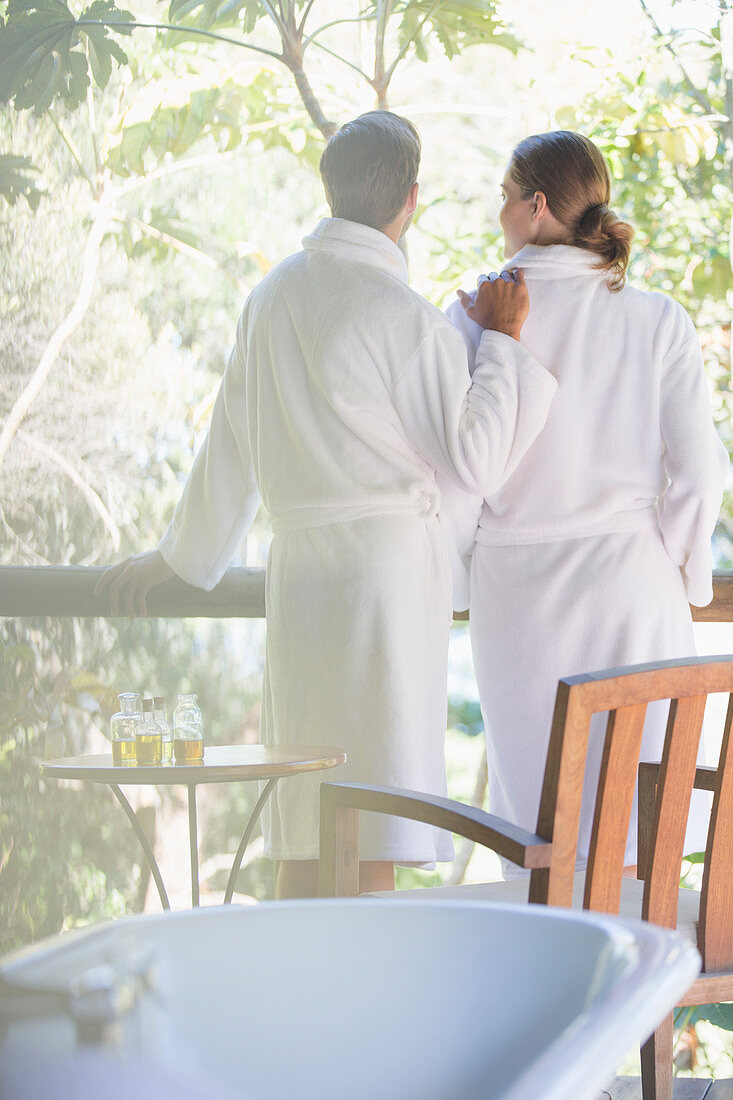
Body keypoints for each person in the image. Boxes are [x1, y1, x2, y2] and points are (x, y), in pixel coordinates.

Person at [95, 111, 558, 898]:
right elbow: (476, 455)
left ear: (329, 186)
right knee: (373, 807)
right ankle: (360, 1005)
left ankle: (292, 997)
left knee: (305, 802)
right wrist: (504, 344)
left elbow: (228, 452)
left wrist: (179, 559)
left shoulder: (270, 298)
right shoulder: (402, 317)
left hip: (301, 575)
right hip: (383, 577)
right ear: (411, 198)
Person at [444, 129, 729, 869]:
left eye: (503, 198)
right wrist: (670, 566)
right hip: (630, 585)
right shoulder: (656, 317)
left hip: (516, 598)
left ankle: (552, 978)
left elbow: (454, 471)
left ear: (535, 207)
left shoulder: (476, 313)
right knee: (640, 815)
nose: (498, 214)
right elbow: (701, 472)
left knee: (537, 821)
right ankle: (644, 975)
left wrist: (460, 568)